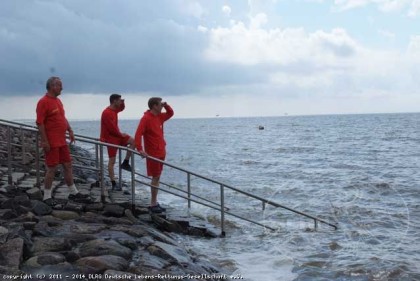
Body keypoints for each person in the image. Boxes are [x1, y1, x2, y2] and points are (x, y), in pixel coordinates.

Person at [36, 76, 90, 206]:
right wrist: (44, 141)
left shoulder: (58, 101)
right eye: (59, 85)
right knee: (52, 168)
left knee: (67, 165)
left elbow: (62, 118)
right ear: (52, 86)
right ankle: (47, 196)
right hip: (52, 141)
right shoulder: (43, 102)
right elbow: (40, 123)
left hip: (62, 141)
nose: (62, 88)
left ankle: (73, 192)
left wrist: (70, 130)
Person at [135, 97, 174, 213]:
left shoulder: (159, 117)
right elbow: (138, 134)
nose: (162, 106)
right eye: (160, 105)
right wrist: (140, 149)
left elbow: (171, 113)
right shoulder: (146, 119)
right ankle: (152, 204)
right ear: (154, 106)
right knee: (155, 177)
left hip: (161, 151)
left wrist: (166, 105)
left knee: (158, 177)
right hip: (153, 153)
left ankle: (155, 202)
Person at [100, 93, 135, 191]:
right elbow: (112, 129)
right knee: (112, 161)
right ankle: (113, 183)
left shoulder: (115, 110)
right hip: (110, 138)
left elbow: (122, 108)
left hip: (117, 136)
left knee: (133, 141)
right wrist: (121, 134)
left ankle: (125, 162)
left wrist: (123, 102)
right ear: (114, 101)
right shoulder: (106, 112)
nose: (120, 102)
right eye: (119, 100)